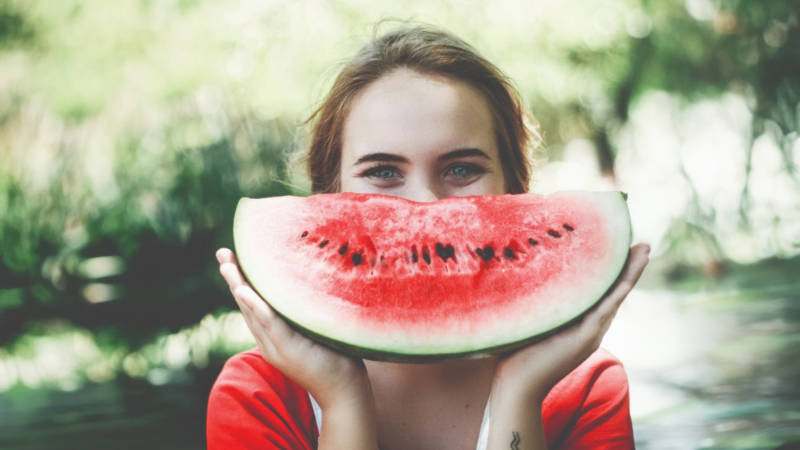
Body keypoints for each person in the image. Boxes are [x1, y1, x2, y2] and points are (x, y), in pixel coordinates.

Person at [208, 25, 650, 450]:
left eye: (462, 169)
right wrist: (343, 400)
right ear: (329, 195)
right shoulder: (258, 395)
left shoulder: (585, 388)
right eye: (382, 172)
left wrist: (520, 391)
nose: (424, 203)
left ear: (514, 189)